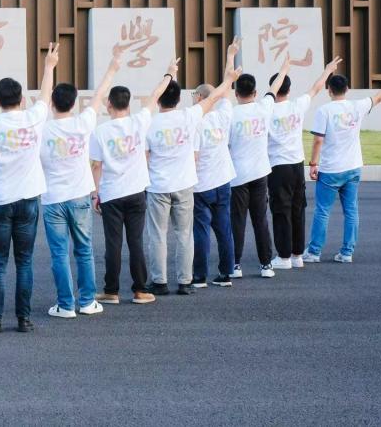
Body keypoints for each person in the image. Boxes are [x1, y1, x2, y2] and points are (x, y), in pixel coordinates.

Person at [0, 43, 59, 333]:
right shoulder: (33, 117)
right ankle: (24, 318)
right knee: (24, 261)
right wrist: (48, 66)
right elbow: (45, 95)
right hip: (28, 198)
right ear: (22, 99)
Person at [145, 40, 241, 297]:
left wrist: (169, 74)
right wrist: (229, 69)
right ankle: (185, 281)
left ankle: (160, 281)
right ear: (179, 99)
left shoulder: (149, 123)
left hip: (159, 186)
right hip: (186, 184)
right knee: (185, 234)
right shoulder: (189, 116)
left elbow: (145, 157)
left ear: (159, 100)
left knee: (158, 235)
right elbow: (217, 95)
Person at [38, 45, 122, 319]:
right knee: (84, 250)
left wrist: (49, 66)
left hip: (53, 199)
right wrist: (113, 66)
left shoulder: (42, 128)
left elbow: (41, 100)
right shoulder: (83, 122)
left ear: (52, 104)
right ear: (74, 104)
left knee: (59, 254)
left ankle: (65, 305)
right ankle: (87, 301)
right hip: (80, 196)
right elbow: (99, 95)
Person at [90, 57, 180, 306]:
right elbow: (156, 94)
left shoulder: (100, 132)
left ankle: (111, 291)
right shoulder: (139, 121)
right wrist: (169, 73)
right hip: (136, 193)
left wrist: (95, 194)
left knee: (113, 244)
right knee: (136, 242)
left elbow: (96, 166)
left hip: (111, 194)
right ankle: (140, 290)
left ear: (109, 104)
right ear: (128, 104)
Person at [303, 68, 381, 263]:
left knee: (322, 211)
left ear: (329, 90)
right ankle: (347, 252)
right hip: (353, 167)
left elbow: (318, 140)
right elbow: (379, 97)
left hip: (330, 170)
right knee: (351, 211)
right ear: (347, 89)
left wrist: (313, 164)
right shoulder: (357, 106)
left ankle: (314, 252)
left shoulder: (324, 111)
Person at [266, 57, 342, 269]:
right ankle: (297, 255)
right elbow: (316, 88)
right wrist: (327, 70)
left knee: (281, 211)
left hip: (278, 166)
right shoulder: (297, 105)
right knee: (297, 209)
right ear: (289, 90)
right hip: (297, 165)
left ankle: (283, 258)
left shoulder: (266, 109)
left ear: (273, 89)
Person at [228, 57, 290, 279]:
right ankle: (266, 265)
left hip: (237, 176)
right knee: (260, 220)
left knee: (237, 221)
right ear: (255, 93)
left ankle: (235, 265)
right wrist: (284, 68)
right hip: (260, 173)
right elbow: (274, 88)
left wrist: (230, 60)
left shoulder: (230, 114)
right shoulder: (264, 107)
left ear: (236, 94)